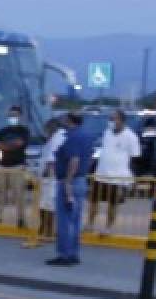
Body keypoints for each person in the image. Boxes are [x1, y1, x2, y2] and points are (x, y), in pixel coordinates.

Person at [48, 112, 96, 266]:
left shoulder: (71, 137)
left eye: (64, 120)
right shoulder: (87, 137)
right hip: (81, 181)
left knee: (65, 221)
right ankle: (74, 253)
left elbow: (73, 160)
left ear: (69, 121)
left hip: (69, 182)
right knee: (75, 221)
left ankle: (65, 255)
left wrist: (67, 183)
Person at [91, 109, 140, 234]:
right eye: (110, 119)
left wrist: (131, 180)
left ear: (122, 121)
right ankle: (89, 224)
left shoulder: (131, 136)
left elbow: (134, 158)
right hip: (101, 174)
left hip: (117, 177)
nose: (111, 121)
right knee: (93, 201)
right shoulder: (107, 132)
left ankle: (108, 227)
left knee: (112, 204)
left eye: (114, 119)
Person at [0, 105, 29, 227]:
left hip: (17, 166)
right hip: (2, 165)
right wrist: (11, 146)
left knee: (18, 193)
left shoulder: (23, 131)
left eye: (15, 115)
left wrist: (5, 146)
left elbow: (20, 143)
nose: (13, 117)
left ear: (20, 116)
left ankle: (21, 219)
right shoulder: (3, 131)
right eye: (11, 115)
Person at [38, 117, 67, 241]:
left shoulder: (56, 139)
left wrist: (46, 175)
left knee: (48, 206)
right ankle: (46, 229)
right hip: (51, 178)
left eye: (47, 129)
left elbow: (51, 160)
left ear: (52, 128)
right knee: (46, 205)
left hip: (51, 178)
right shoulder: (56, 138)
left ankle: (48, 231)